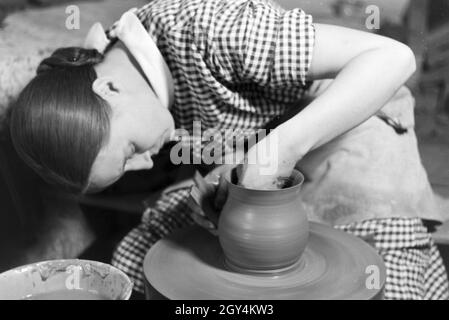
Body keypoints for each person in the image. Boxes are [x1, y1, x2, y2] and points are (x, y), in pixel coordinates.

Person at [9, 0, 448, 299]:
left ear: (109, 88)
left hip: (358, 120)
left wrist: (280, 149)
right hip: (278, 145)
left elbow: (393, 57)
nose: (144, 162)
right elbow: (242, 120)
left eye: (128, 151)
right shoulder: (134, 82)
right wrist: (233, 171)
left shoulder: (210, 29)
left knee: (378, 277)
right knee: (141, 255)